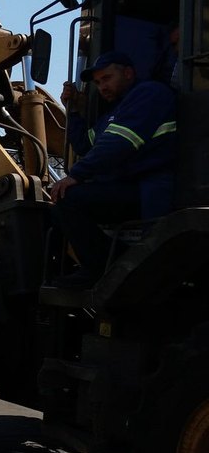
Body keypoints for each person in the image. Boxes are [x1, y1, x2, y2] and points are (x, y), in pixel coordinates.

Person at [53, 51, 177, 288]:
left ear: (128, 73)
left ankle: (103, 268)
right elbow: (84, 145)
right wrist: (73, 110)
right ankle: (111, 258)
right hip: (127, 188)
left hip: (148, 190)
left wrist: (76, 175)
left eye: (107, 78)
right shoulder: (113, 114)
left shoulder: (150, 94)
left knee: (69, 199)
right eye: (98, 83)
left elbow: (119, 144)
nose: (102, 87)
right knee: (58, 209)